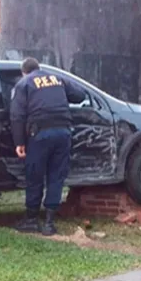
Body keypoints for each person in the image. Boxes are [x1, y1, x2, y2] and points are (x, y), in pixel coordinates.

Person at [10, 57, 86, 236]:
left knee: (35, 175)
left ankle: (31, 220)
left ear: (24, 71)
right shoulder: (56, 78)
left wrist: (19, 142)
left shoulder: (24, 83)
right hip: (63, 133)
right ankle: (50, 223)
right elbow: (80, 95)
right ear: (39, 68)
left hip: (40, 134)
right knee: (56, 176)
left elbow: (17, 115)